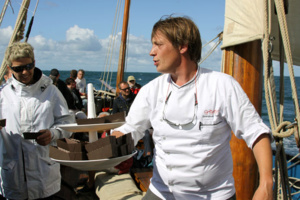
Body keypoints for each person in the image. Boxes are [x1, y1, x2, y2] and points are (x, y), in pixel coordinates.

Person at [112, 16, 273, 200]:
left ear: (182, 46)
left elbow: (256, 132)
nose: (151, 52)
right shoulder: (151, 90)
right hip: (161, 192)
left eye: (158, 44)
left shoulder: (221, 85)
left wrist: (266, 184)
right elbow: (131, 128)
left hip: (214, 195)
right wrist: (110, 142)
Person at [0, 42, 74, 199]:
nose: (25, 72)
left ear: (34, 62)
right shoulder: (3, 95)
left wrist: (53, 134)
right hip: (14, 177)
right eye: (19, 68)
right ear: (9, 68)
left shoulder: (51, 91)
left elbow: (68, 124)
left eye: (29, 65)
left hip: (44, 175)